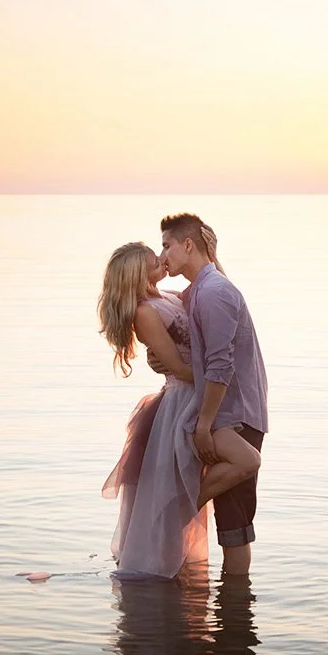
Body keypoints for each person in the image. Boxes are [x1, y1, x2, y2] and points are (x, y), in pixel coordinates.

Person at [160, 212, 268, 576]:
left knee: (235, 527)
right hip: (223, 413)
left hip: (234, 416)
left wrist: (204, 425)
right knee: (232, 525)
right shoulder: (204, 290)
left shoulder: (215, 293)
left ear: (187, 245)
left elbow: (221, 366)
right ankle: (232, 609)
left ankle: (235, 618)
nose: (163, 256)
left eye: (167, 246)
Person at [98, 242, 210, 579]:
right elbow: (176, 366)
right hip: (183, 400)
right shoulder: (145, 313)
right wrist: (220, 378)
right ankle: (155, 568)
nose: (162, 261)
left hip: (199, 392)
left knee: (185, 482)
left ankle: (177, 566)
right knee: (174, 487)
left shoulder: (171, 296)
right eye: (153, 261)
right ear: (137, 273)